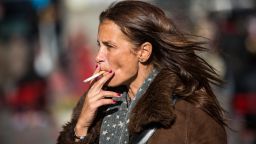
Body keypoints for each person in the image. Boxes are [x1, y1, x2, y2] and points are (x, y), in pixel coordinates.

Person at [57, 1, 227, 144]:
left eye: (110, 47)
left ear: (143, 52)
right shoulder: (94, 107)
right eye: (99, 45)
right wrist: (81, 127)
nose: (98, 57)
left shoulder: (189, 112)